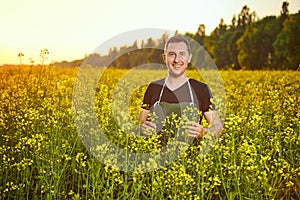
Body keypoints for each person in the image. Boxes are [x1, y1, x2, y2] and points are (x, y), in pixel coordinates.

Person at [138, 35, 223, 141]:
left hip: (191, 157)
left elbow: (218, 127)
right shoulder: (153, 88)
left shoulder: (201, 89)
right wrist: (142, 129)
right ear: (164, 58)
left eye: (182, 54)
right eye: (171, 54)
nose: (176, 60)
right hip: (156, 156)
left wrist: (203, 132)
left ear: (189, 58)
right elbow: (139, 124)